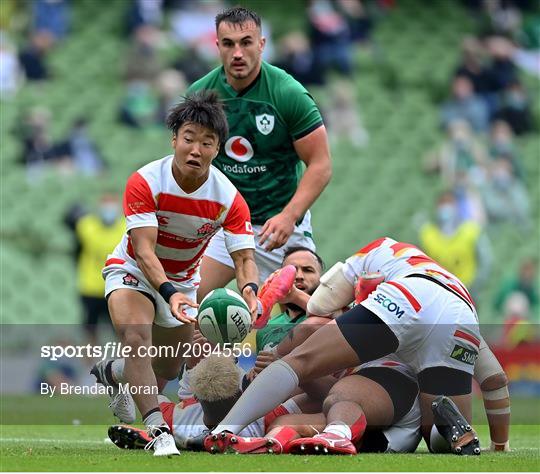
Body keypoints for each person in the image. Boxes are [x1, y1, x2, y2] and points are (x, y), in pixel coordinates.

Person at [91, 90, 261, 457]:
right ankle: (157, 431)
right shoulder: (146, 181)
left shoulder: (229, 199)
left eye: (207, 142)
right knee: (137, 336)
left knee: (167, 365)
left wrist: (250, 292)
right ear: (174, 139)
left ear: (219, 149)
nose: (195, 150)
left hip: (184, 281)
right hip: (134, 270)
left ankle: (115, 373)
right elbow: (144, 249)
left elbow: (245, 258)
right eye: (189, 139)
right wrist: (170, 293)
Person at [206, 237, 484, 455]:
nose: (299, 276)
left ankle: (226, 429)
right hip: (463, 312)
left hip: (394, 352)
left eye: (308, 270)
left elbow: (320, 307)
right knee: (434, 435)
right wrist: (500, 442)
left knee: (325, 385)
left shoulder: (372, 262)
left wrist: (295, 305)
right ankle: (444, 428)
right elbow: (494, 378)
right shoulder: (419, 279)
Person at [187, 6, 332, 290]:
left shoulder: (288, 94)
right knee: (184, 303)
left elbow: (321, 164)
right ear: (218, 46)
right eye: (228, 44)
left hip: (278, 226)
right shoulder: (201, 96)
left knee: (309, 317)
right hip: (226, 224)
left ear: (262, 44)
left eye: (246, 42)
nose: (237, 53)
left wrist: (289, 217)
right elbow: (189, 161)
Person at [66, 192, 125, 348]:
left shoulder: (125, 226)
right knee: (90, 330)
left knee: (120, 330)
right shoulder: (87, 225)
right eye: (105, 203)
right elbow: (68, 219)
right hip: (90, 287)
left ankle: (124, 364)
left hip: (115, 287)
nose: (108, 208)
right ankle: (89, 365)